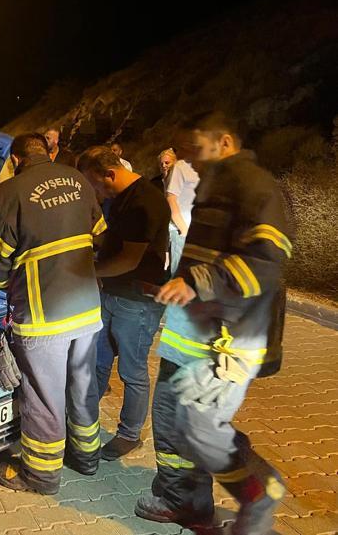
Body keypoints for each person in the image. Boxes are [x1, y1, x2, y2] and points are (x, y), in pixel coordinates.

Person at [135, 111, 291, 535]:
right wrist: (178, 283)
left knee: (198, 429)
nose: (188, 161)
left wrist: (198, 282)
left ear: (224, 142)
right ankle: (200, 500)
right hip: (196, 333)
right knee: (184, 426)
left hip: (227, 341)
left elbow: (266, 262)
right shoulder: (218, 185)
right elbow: (209, 255)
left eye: (194, 150)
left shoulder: (255, 188)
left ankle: (256, 493)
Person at [0, 133, 107, 494]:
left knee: (44, 396)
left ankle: (41, 475)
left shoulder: (8, 194)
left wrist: (7, 284)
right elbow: (99, 234)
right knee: (83, 386)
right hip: (85, 308)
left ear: (15, 159)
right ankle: (86, 457)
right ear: (47, 152)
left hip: (41, 313)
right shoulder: (78, 181)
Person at [77, 146, 170, 460]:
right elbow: (110, 241)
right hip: (113, 294)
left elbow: (129, 260)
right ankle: (82, 423)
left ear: (110, 174)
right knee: (98, 363)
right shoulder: (119, 198)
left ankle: (130, 434)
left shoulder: (146, 201)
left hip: (138, 301)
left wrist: (87, 270)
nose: (94, 191)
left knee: (132, 371)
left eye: (94, 184)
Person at [164, 149, 200, 275]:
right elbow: (171, 198)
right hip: (181, 229)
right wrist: (183, 229)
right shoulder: (180, 167)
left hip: (194, 229)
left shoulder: (203, 168)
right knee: (179, 272)